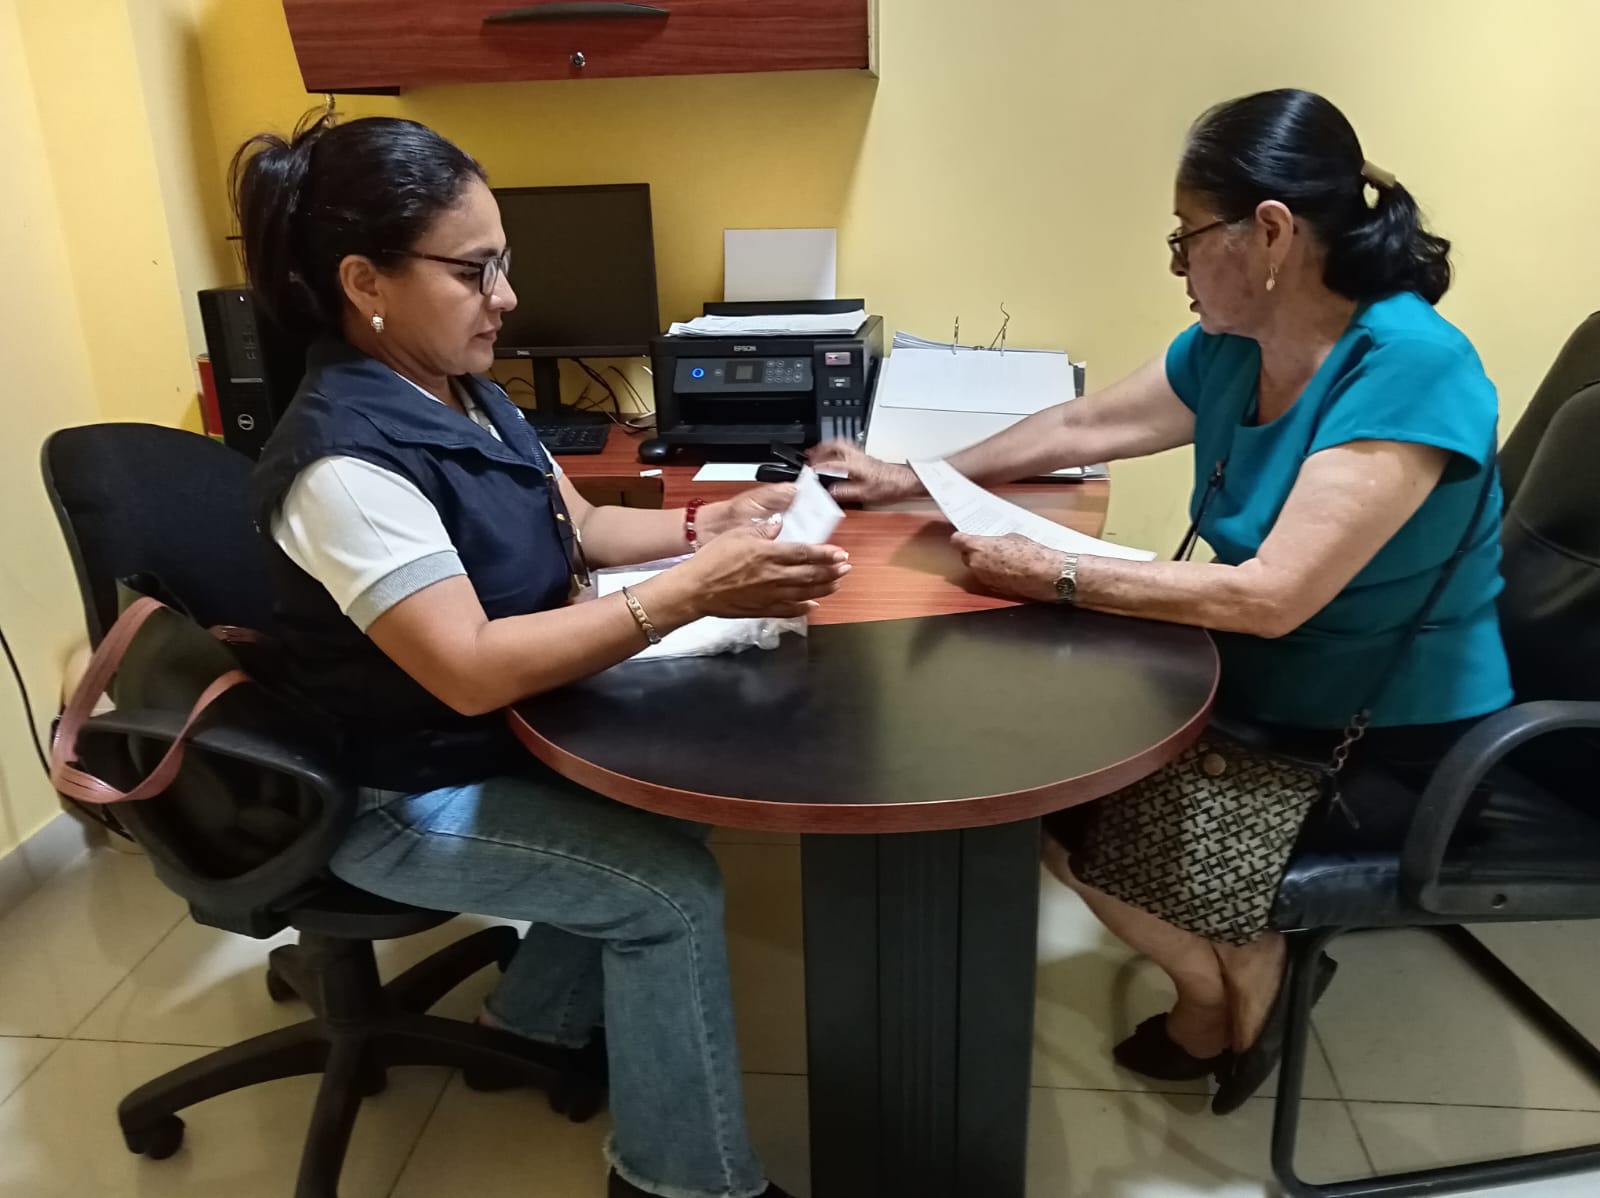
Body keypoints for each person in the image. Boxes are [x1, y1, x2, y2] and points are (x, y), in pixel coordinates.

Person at [814, 88, 1512, 1113]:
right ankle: (1220, 976)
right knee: (1035, 760)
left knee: (1066, 811)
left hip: (1388, 735)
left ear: (1269, 233)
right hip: (1247, 681)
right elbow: (1083, 426)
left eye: (1186, 237)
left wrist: (1053, 572)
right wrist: (907, 477)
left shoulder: (1410, 367)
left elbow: (1272, 596)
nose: (1178, 265)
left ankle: (1244, 964)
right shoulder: (1236, 341)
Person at [232, 112, 847, 1198]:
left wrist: (709, 522)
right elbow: (467, 665)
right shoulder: (343, 466)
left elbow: (583, 527)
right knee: (669, 894)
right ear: (365, 282)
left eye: (503, 264)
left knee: (689, 787)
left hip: (495, 735)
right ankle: (678, 1183)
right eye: (474, 271)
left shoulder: (465, 392)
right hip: (397, 793)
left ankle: (534, 1018)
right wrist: (690, 592)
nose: (507, 297)